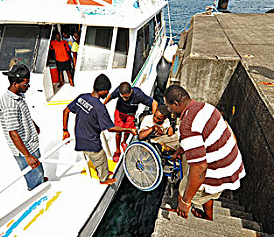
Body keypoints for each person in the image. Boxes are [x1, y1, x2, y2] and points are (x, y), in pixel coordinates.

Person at [164, 85, 245, 221]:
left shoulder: (187, 126)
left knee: (183, 190)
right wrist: (182, 148)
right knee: (205, 191)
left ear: (176, 104)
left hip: (219, 172)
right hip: (232, 164)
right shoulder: (205, 107)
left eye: (168, 106)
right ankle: (208, 217)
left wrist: (185, 201)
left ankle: (180, 213)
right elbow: (205, 135)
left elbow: (200, 168)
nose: (168, 110)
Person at [63, 74, 138, 185]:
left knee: (97, 159)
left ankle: (103, 171)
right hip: (91, 143)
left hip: (79, 138)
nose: (108, 93)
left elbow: (66, 111)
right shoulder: (99, 107)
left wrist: (65, 130)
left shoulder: (82, 97)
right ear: (101, 90)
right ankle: (104, 179)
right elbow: (111, 128)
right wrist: (128, 129)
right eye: (107, 91)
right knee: (101, 158)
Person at [0, 64, 45, 191]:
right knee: (34, 179)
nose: (28, 87)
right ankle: (37, 190)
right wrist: (27, 156)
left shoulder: (18, 95)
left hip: (31, 143)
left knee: (38, 172)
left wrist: (33, 125)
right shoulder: (9, 104)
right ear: (15, 83)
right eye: (25, 84)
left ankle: (40, 180)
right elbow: (13, 132)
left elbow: (23, 115)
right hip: (25, 149)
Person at [103, 82, 158, 162]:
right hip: (119, 113)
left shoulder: (138, 94)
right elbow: (110, 96)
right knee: (118, 132)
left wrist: (153, 120)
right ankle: (117, 150)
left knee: (128, 130)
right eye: (123, 97)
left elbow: (154, 103)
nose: (125, 99)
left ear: (131, 91)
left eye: (127, 97)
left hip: (131, 114)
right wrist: (102, 105)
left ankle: (124, 142)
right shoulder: (118, 91)